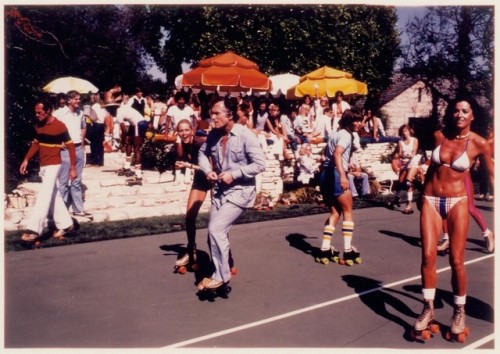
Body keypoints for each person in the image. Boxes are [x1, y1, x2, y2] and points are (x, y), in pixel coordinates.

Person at [414, 96, 494, 339]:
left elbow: (492, 175)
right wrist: (420, 192)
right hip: (430, 200)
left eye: (465, 111)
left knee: (456, 260)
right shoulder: (440, 136)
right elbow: (431, 169)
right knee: (428, 256)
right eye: (456, 110)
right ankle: (428, 308)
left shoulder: (479, 143)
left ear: (473, 116)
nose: (459, 114)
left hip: (458, 202)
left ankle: (459, 310)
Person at [197, 96, 266, 292]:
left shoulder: (246, 135)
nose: (213, 117)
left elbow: (260, 164)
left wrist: (234, 174)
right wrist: (207, 170)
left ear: (230, 115)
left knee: (216, 229)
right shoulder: (214, 135)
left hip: (241, 191)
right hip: (219, 191)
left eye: (217, 113)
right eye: (212, 113)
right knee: (213, 235)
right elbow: (202, 153)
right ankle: (220, 269)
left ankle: (221, 276)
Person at [20, 97, 77, 243]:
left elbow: (71, 147)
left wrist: (72, 168)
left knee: (44, 195)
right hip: (43, 165)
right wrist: (26, 159)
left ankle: (34, 230)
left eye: (40, 113)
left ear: (49, 111)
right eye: (36, 112)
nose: (37, 115)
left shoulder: (60, 126)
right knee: (53, 195)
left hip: (54, 164)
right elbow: (36, 144)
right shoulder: (38, 125)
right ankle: (66, 224)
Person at [316, 108, 364, 265]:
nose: (358, 123)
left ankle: (325, 248)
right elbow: (337, 153)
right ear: (348, 121)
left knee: (335, 212)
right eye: (355, 120)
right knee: (348, 211)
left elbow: (327, 154)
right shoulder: (346, 135)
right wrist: (343, 175)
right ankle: (348, 250)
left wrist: (344, 163)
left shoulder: (334, 134)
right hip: (336, 175)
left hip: (326, 174)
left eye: (359, 120)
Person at [173, 119, 213, 271]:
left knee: (217, 223)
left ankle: (227, 260)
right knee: (189, 217)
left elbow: (209, 168)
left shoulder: (199, 143)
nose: (183, 133)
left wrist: (188, 165)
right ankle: (191, 251)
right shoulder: (183, 144)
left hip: (214, 180)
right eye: (180, 131)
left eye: (186, 130)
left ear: (192, 130)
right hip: (200, 181)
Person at [53, 90, 92, 219]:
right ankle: (62, 211)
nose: (78, 101)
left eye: (79, 99)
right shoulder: (59, 113)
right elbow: (51, 129)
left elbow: (83, 127)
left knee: (77, 180)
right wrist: (58, 142)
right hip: (65, 150)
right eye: (76, 99)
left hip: (78, 148)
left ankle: (78, 209)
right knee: (63, 181)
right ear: (69, 100)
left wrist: (81, 140)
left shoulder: (80, 113)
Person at [387, 124, 420, 214]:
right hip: (404, 163)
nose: (404, 133)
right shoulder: (400, 142)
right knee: (400, 183)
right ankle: (396, 199)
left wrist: (410, 156)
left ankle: (409, 205)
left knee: (408, 182)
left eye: (406, 131)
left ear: (409, 131)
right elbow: (400, 153)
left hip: (413, 162)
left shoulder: (414, 140)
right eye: (403, 131)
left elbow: (414, 151)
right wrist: (403, 156)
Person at [114, 102, 150, 180]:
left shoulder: (118, 114)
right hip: (137, 123)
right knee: (129, 143)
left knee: (136, 148)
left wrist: (122, 144)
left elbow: (123, 130)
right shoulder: (122, 107)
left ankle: (138, 174)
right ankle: (127, 167)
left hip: (138, 124)